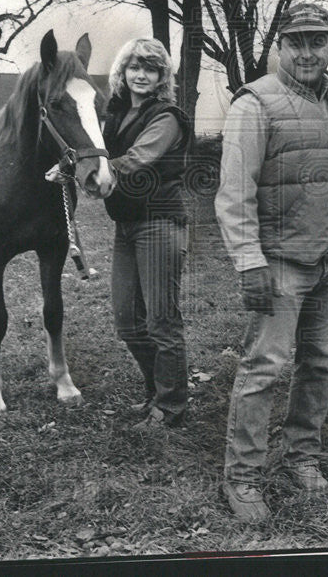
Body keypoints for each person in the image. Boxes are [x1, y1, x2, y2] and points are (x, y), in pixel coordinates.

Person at [215, 3, 328, 521]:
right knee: (264, 368)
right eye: (297, 42)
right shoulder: (255, 103)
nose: (307, 52)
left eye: (317, 41)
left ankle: (303, 458)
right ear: (281, 46)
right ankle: (244, 477)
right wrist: (248, 260)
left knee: (319, 364)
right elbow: (234, 193)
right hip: (280, 260)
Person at [103, 38, 192, 429]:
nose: (141, 75)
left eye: (151, 69)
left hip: (159, 223)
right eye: (134, 67)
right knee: (127, 321)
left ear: (161, 77)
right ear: (122, 72)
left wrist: (84, 170)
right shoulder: (117, 112)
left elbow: (138, 161)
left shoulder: (167, 116)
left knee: (161, 321)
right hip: (126, 225)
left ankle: (171, 405)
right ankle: (158, 389)